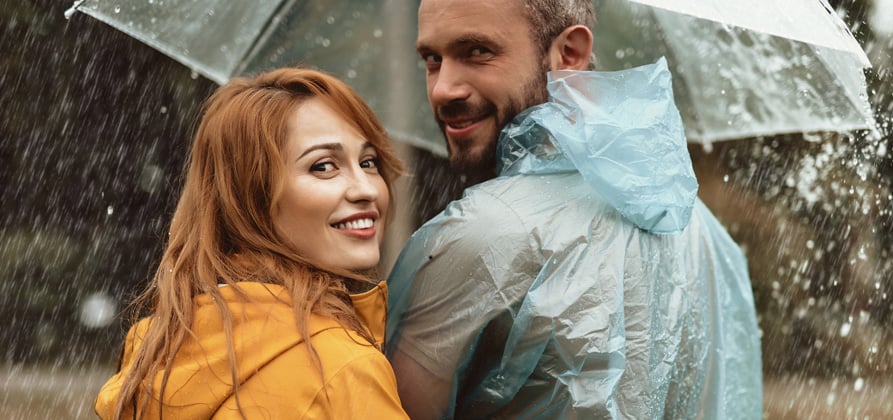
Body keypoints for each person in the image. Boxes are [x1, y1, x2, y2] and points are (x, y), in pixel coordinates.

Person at [384, 0, 763, 418]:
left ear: (569, 54)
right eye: (432, 59)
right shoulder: (700, 229)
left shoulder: (478, 237)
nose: (442, 88)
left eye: (478, 51)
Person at [95, 68, 409, 419]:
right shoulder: (341, 370)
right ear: (252, 198)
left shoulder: (156, 351)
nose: (366, 188)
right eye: (323, 167)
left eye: (368, 162)